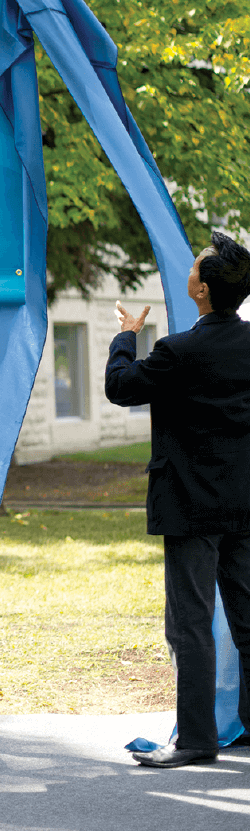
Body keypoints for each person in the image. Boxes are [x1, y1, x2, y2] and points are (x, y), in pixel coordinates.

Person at [106, 232, 250, 768]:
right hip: (245, 504)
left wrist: (127, 336)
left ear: (203, 291)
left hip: (190, 507)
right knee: (248, 620)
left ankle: (195, 740)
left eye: (194, 269)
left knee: (190, 624)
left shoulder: (177, 351)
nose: (188, 274)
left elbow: (121, 386)